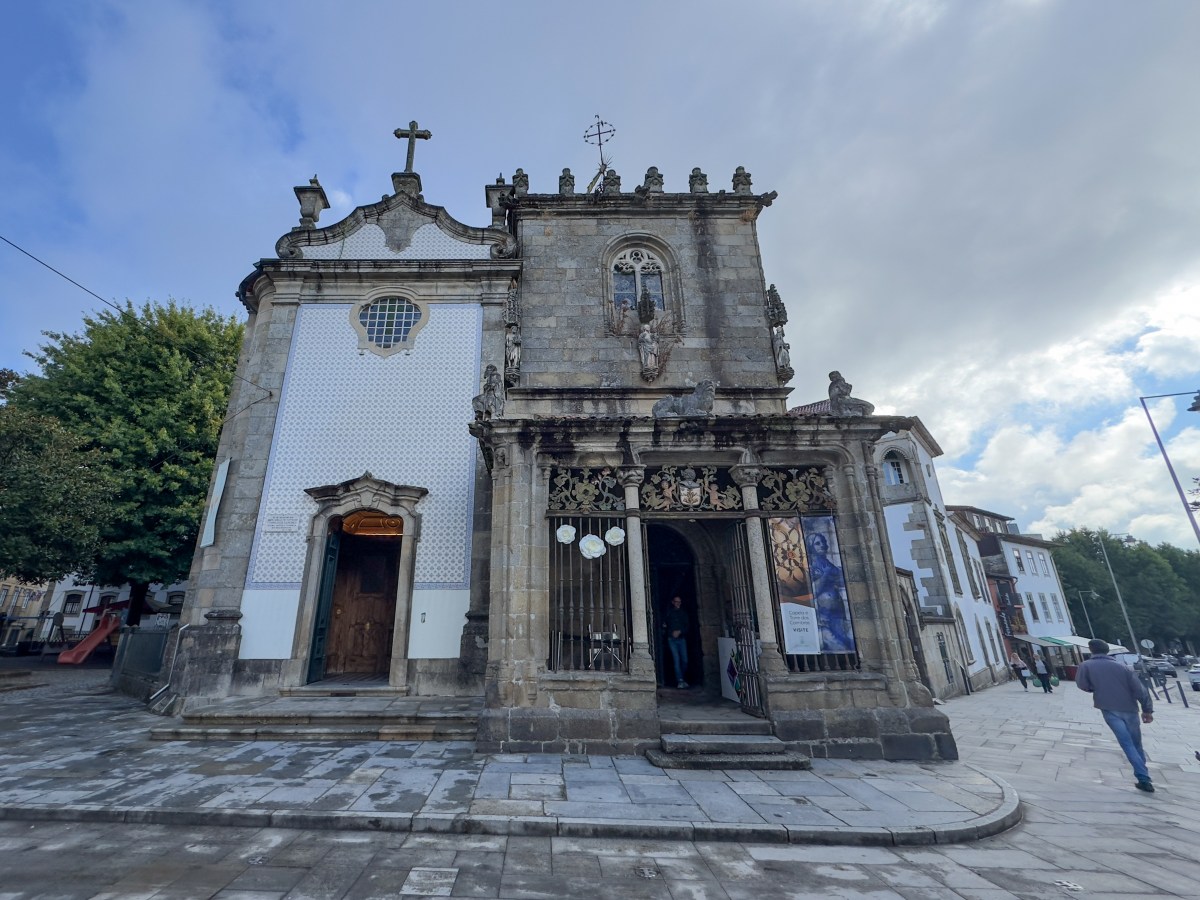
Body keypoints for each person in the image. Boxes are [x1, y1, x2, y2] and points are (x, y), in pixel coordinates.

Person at [1077, 639, 1155, 793]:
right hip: (1130, 708)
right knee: (1136, 743)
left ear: (1091, 650)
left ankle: (1143, 777)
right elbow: (1140, 690)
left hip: (1108, 708)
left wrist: (1095, 688)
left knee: (1126, 743)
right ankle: (1143, 776)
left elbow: (1082, 685)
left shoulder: (1086, 666)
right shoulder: (1123, 667)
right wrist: (1147, 710)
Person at [664, 596, 690, 689]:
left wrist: (680, 632)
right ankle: (680, 680)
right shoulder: (669, 613)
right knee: (676, 660)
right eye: (676, 601)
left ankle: (682, 677)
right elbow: (664, 625)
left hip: (681, 639)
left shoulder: (683, 614)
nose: (677, 603)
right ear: (673, 602)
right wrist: (671, 632)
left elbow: (687, 626)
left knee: (685, 660)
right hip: (672, 639)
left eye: (679, 602)